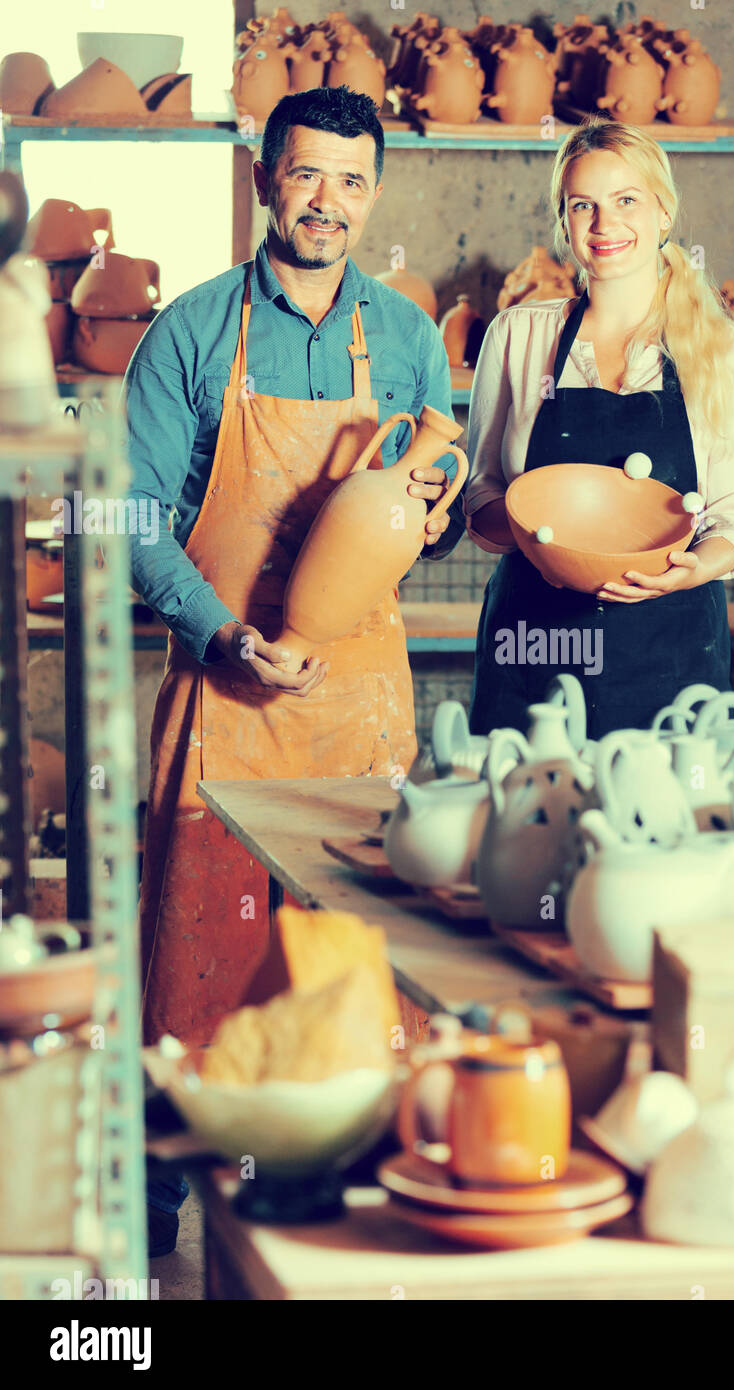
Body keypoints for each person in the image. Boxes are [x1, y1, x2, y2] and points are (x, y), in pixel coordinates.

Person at [126, 87, 459, 1251]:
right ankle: (159, 1218)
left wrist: (431, 504)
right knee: (198, 968)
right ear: (267, 178)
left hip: (358, 692)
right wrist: (223, 634)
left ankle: (356, 1215)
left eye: (352, 181)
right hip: (225, 689)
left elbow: (438, 497)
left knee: (354, 972)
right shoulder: (194, 330)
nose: (329, 202)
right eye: (307, 175)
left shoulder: (407, 337)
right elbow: (135, 518)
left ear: (375, 194)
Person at [463, 119, 734, 738]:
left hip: (670, 646)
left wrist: (696, 567)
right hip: (535, 643)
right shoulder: (519, 337)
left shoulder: (723, 350)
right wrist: (541, 544)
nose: (604, 225)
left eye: (626, 200)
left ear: (663, 212)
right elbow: (481, 494)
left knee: (659, 825)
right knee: (527, 825)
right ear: (564, 220)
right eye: (584, 206)